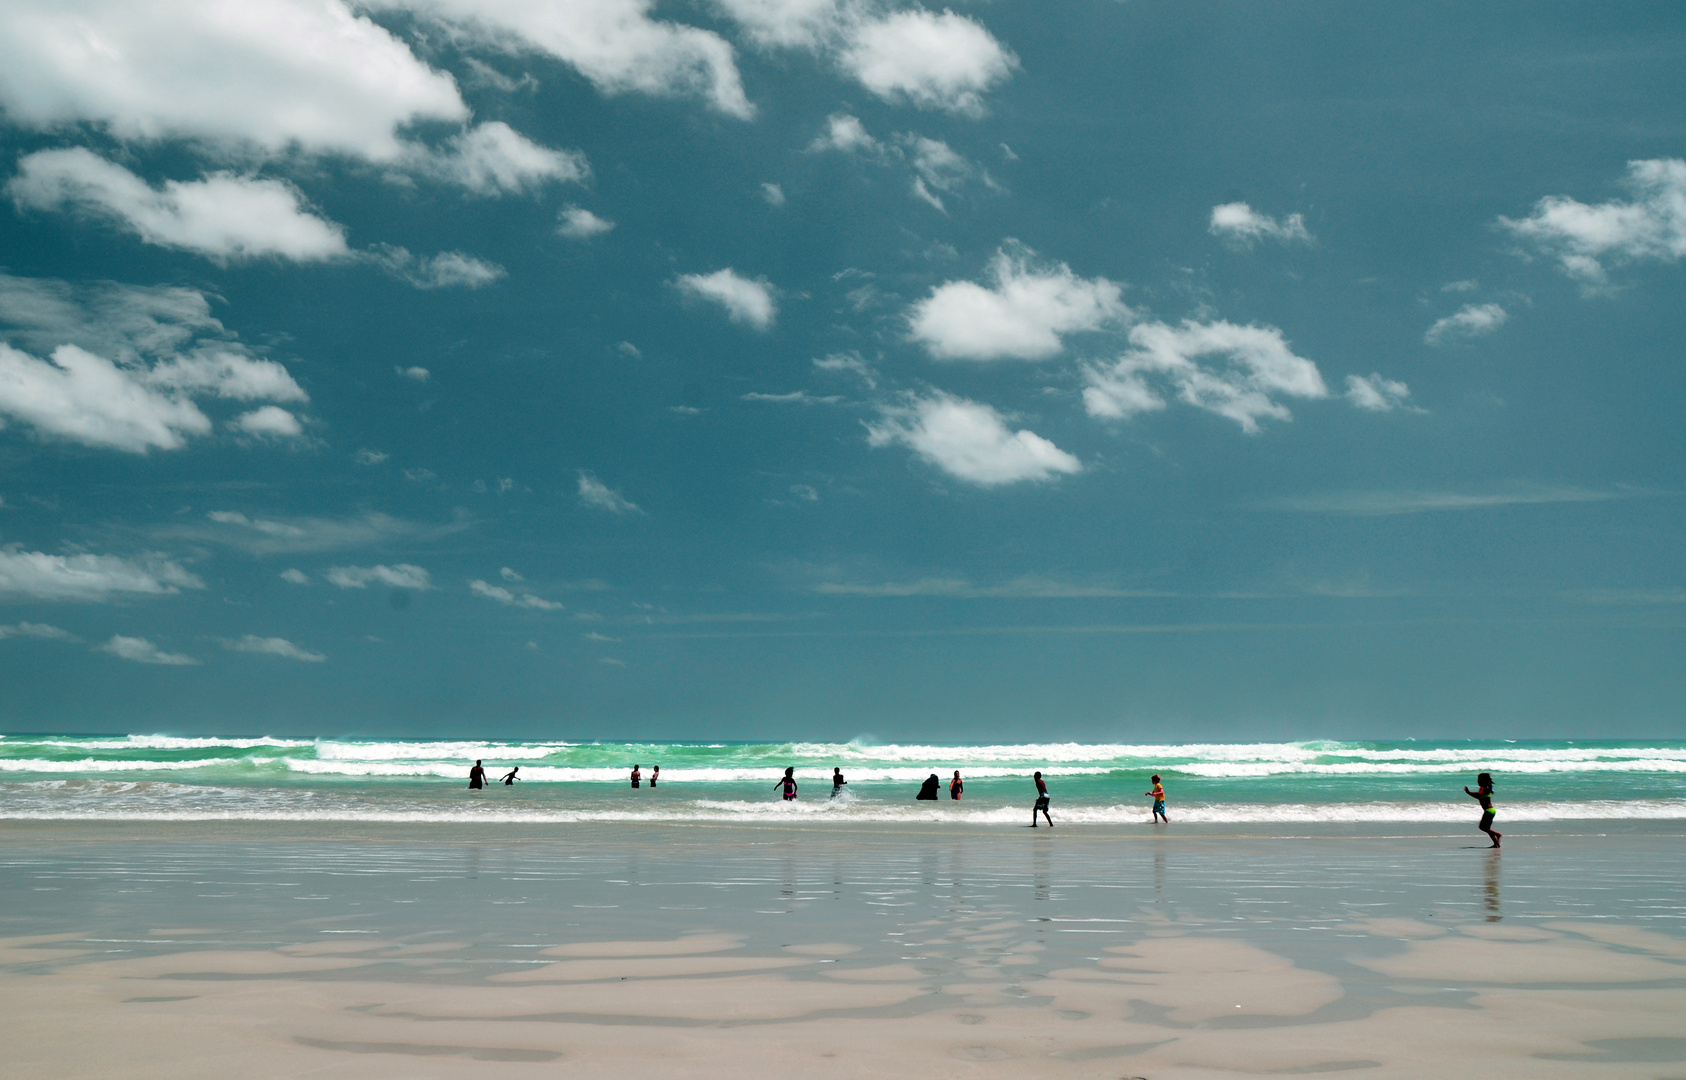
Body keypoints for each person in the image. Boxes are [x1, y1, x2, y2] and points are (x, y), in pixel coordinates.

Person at [1465, 772, 1501, 848]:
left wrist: (1469, 792)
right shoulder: (1485, 789)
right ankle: (1496, 844)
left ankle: (1498, 835)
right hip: (1490, 810)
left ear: (1483, 781)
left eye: (1478, 780)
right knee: (1487, 829)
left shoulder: (1483, 788)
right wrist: (1469, 793)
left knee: (1483, 827)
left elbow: (1479, 795)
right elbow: (1479, 796)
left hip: (1488, 811)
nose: (1477, 782)